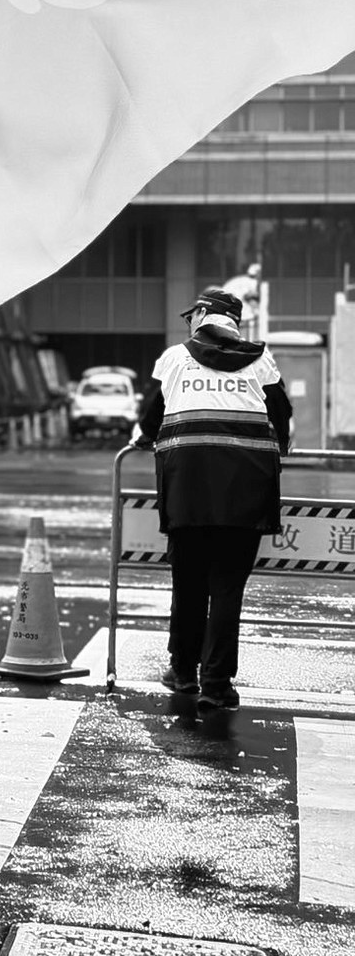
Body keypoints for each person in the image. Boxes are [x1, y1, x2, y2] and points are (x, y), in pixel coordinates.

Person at [134, 285, 292, 715]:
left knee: (188, 582)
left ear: (203, 314)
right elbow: (283, 421)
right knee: (227, 589)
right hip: (247, 490)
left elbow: (149, 421)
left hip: (188, 488)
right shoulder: (262, 360)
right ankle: (217, 686)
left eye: (192, 315)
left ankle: (183, 671)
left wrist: (146, 438)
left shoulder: (173, 359)